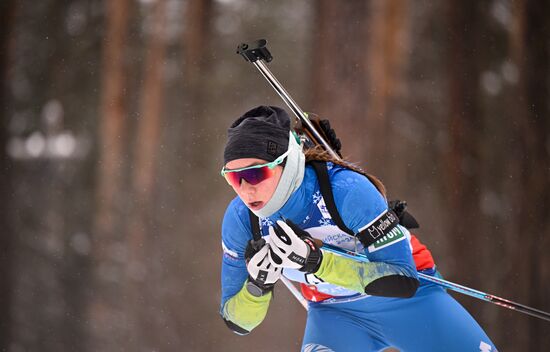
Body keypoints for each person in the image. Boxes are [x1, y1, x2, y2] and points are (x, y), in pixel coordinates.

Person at [219, 105, 497, 351]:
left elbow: (401, 280)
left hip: (413, 301)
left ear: (287, 163)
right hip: (335, 315)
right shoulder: (242, 219)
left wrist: (316, 262)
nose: (244, 189)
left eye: (255, 173)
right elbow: (237, 323)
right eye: (233, 178)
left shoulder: (346, 190)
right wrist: (258, 287)